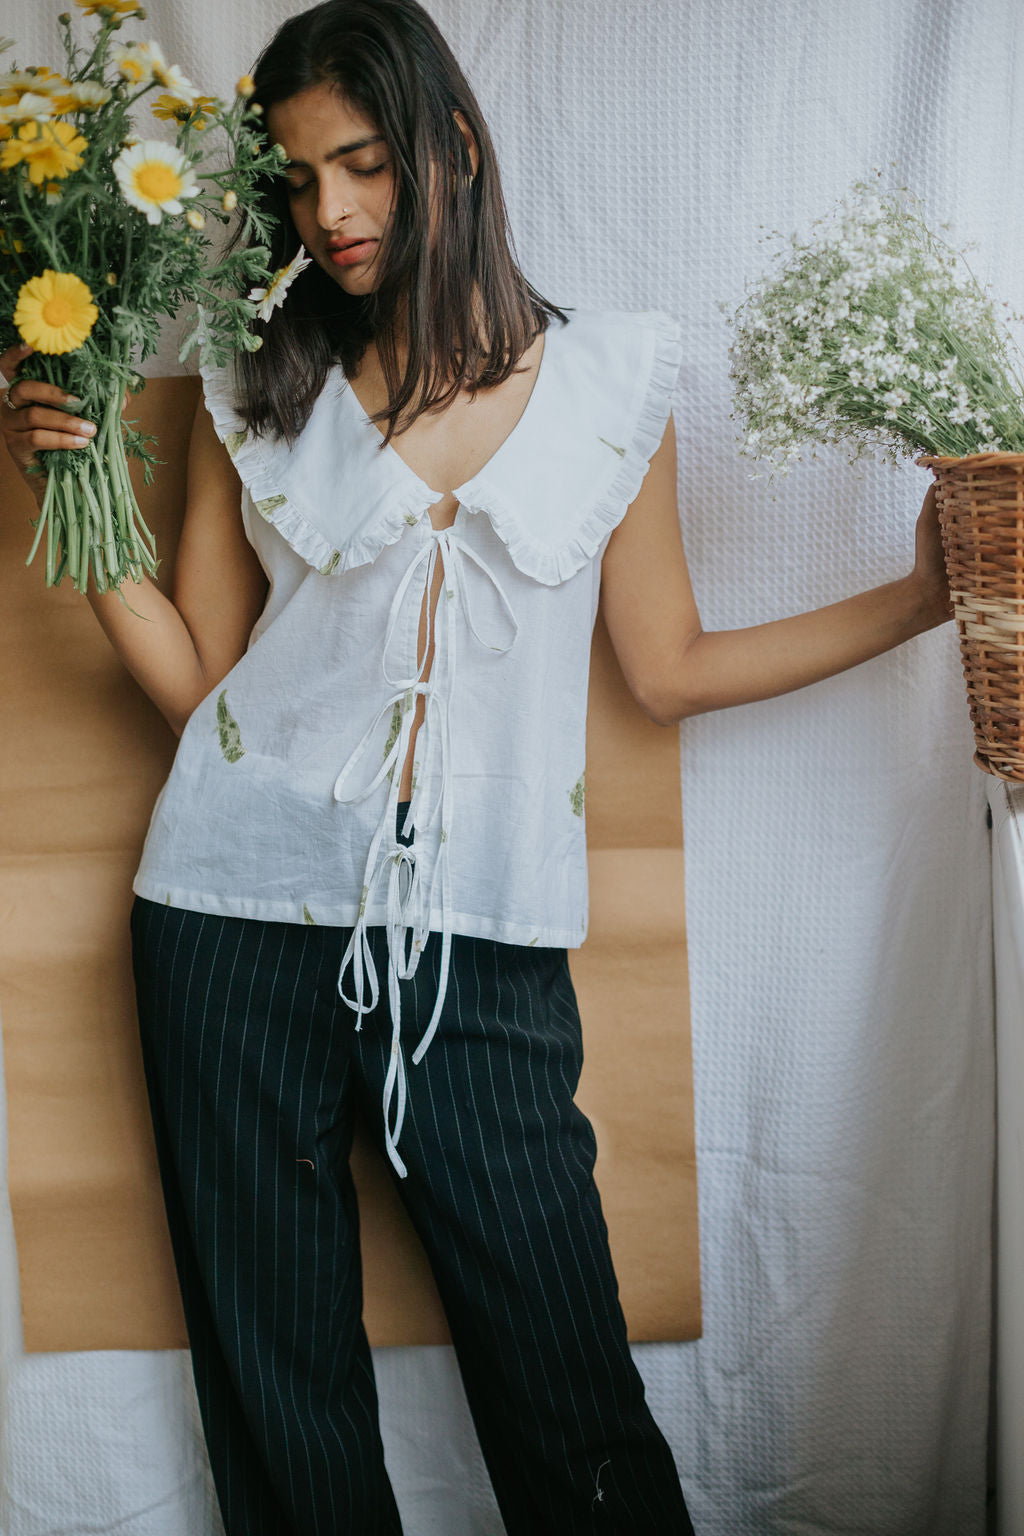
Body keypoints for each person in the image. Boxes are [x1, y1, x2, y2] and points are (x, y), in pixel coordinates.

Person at [0, 1, 953, 1531]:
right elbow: (199, 682)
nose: (337, 214)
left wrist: (917, 599)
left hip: (483, 940)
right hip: (224, 917)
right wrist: (65, 484)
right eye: (303, 182)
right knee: (280, 1391)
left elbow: (670, 668)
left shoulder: (610, 385)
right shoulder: (257, 382)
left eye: (365, 164)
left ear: (451, 142)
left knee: (561, 1375)